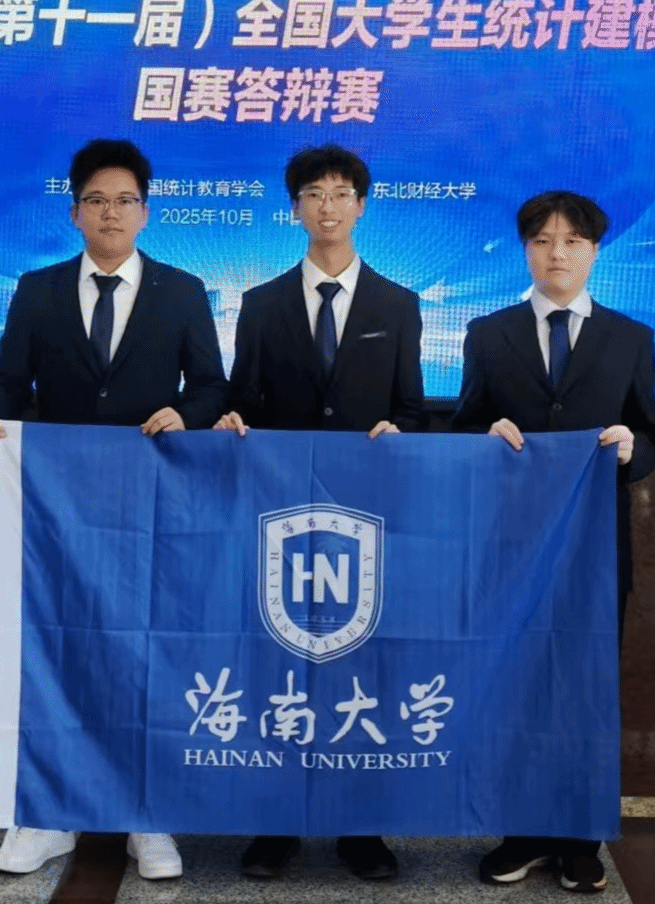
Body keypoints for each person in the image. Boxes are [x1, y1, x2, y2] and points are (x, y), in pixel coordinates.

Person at [0, 138, 228, 882]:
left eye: (125, 200)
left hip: (152, 503)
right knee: (59, 652)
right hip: (61, 509)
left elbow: (213, 386)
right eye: (96, 200)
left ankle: (148, 817)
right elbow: (8, 381)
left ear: (145, 212)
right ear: (74, 212)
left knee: (146, 654)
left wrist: (186, 413)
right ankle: (48, 816)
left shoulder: (182, 291)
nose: (111, 213)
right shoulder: (38, 290)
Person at [216, 144, 425, 881]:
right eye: (314, 193)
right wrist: (231, 421)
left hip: (367, 521)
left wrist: (400, 431)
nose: (328, 205)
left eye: (341, 192)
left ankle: (360, 828)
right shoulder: (262, 304)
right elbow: (240, 399)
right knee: (278, 664)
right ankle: (275, 823)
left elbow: (411, 408)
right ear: (295, 209)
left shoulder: (398, 305)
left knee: (363, 665)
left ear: (361, 205)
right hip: (280, 519)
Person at [451, 189, 655, 893]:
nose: (557, 253)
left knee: (585, 689)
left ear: (595, 252)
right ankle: (521, 833)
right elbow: (463, 425)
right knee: (514, 686)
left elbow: (650, 436)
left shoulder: (630, 338)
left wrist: (631, 448)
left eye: (572, 241)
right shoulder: (489, 333)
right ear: (526, 251)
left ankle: (580, 840)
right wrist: (484, 436)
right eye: (542, 240)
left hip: (595, 549)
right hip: (511, 546)